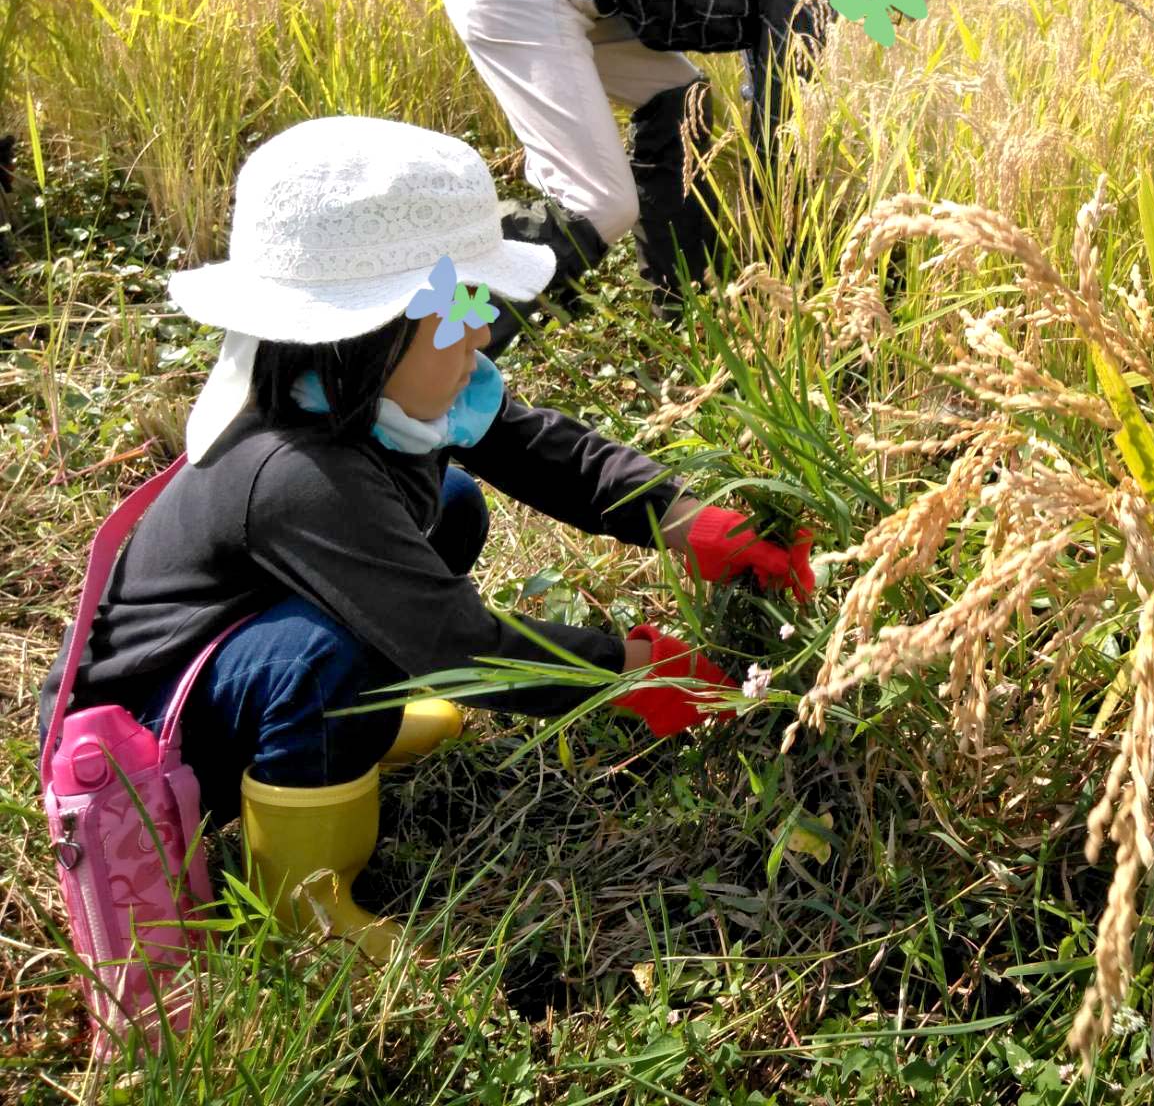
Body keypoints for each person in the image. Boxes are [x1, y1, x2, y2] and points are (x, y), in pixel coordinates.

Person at [37, 117, 815, 961]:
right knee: (321, 658)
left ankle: (348, 731)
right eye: (458, 310)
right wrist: (625, 671)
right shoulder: (298, 474)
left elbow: (538, 449)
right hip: (158, 730)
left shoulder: (374, 400)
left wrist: (681, 517)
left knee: (451, 502)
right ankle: (303, 893)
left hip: (238, 646)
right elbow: (456, 647)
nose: (481, 331)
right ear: (364, 337)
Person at [437, 0, 963, 351]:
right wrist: (799, 252)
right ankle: (440, 325)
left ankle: (682, 309)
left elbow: (769, 91)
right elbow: (779, 122)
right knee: (598, 202)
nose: (878, 8)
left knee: (679, 101)